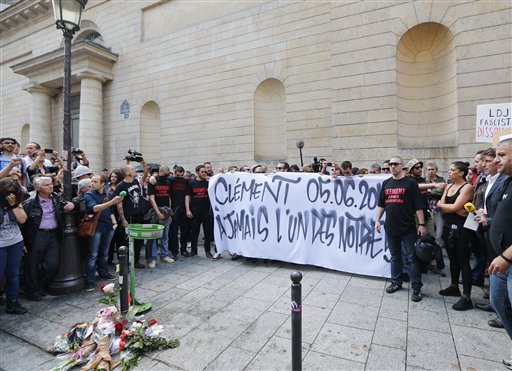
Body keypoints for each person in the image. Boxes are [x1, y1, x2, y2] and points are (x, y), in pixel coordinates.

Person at [375, 156, 427, 302]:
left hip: (408, 228)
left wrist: (422, 224)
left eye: (395, 164)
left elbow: (418, 206)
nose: (392, 167)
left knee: (412, 258)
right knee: (395, 257)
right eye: (390, 164)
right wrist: (377, 220)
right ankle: (396, 282)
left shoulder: (410, 183)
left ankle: (416, 288)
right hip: (391, 228)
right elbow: (381, 205)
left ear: (402, 166)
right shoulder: (386, 183)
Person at [21, 176, 75, 301]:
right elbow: (22, 223)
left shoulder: (56, 198)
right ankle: (32, 291)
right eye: (46, 185)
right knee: (32, 265)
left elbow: (68, 205)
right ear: (38, 188)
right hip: (36, 236)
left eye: (51, 184)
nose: (50, 186)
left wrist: (72, 204)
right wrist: (23, 242)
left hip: (53, 235)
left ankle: (38, 286)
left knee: (52, 264)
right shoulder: (29, 203)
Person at [437, 161, 475, 311]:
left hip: (462, 229)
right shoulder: (449, 186)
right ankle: (454, 286)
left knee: (463, 261)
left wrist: (448, 207)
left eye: (453, 170)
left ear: (461, 173)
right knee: (452, 259)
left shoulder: (467, 187)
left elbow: (453, 207)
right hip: (448, 227)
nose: (449, 172)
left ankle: (466, 297)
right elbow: (441, 205)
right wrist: (449, 208)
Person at [486, 138, 512, 342]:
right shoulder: (508, 181)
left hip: (507, 260)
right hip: (501, 260)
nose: (496, 160)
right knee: (498, 302)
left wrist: (506, 256)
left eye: (501, 155)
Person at [83, 175, 123, 292]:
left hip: (108, 226)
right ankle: (89, 281)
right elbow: (94, 208)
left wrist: (114, 224)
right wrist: (111, 202)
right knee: (93, 254)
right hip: (96, 228)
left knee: (104, 252)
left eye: (95, 181)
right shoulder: (89, 195)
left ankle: (104, 272)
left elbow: (110, 211)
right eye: (92, 181)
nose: (92, 183)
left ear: (103, 184)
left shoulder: (108, 194)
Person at [0, 178, 28, 314]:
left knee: (13, 275)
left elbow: (22, 219)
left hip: (15, 242)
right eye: (8, 193)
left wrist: (13, 205)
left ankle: (13, 303)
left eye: (14, 193)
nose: (11, 196)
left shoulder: (16, 202)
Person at [116, 165, 147, 268]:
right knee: (127, 241)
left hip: (139, 215)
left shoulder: (136, 182)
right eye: (133, 169)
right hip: (129, 217)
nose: (135, 171)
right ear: (127, 173)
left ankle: (136, 261)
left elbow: (145, 174)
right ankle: (125, 265)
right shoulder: (120, 186)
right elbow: (119, 205)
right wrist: (123, 219)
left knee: (139, 240)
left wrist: (143, 162)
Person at [147, 165, 174, 266]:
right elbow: (151, 198)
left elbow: (169, 196)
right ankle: (152, 258)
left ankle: (164, 255)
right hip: (155, 212)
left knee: (165, 235)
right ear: (162, 171)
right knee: (153, 236)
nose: (169, 172)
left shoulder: (168, 182)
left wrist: (169, 211)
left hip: (166, 211)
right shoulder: (153, 181)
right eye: (168, 171)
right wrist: (157, 212)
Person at [186, 164, 214, 257]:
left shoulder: (208, 182)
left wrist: (210, 181)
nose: (204, 173)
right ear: (197, 172)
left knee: (207, 232)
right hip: (195, 211)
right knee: (194, 232)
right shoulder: (191, 183)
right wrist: (187, 210)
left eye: (205, 171)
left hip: (206, 211)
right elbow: (187, 196)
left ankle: (207, 251)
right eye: (202, 172)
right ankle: (194, 251)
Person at [169, 166, 191, 258]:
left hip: (182, 208)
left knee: (184, 230)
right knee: (173, 231)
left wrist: (187, 209)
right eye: (178, 175)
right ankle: (174, 251)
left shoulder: (185, 181)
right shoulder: (170, 180)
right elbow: (168, 195)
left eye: (181, 175)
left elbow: (187, 196)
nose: (180, 177)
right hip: (173, 208)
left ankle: (183, 249)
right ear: (174, 172)